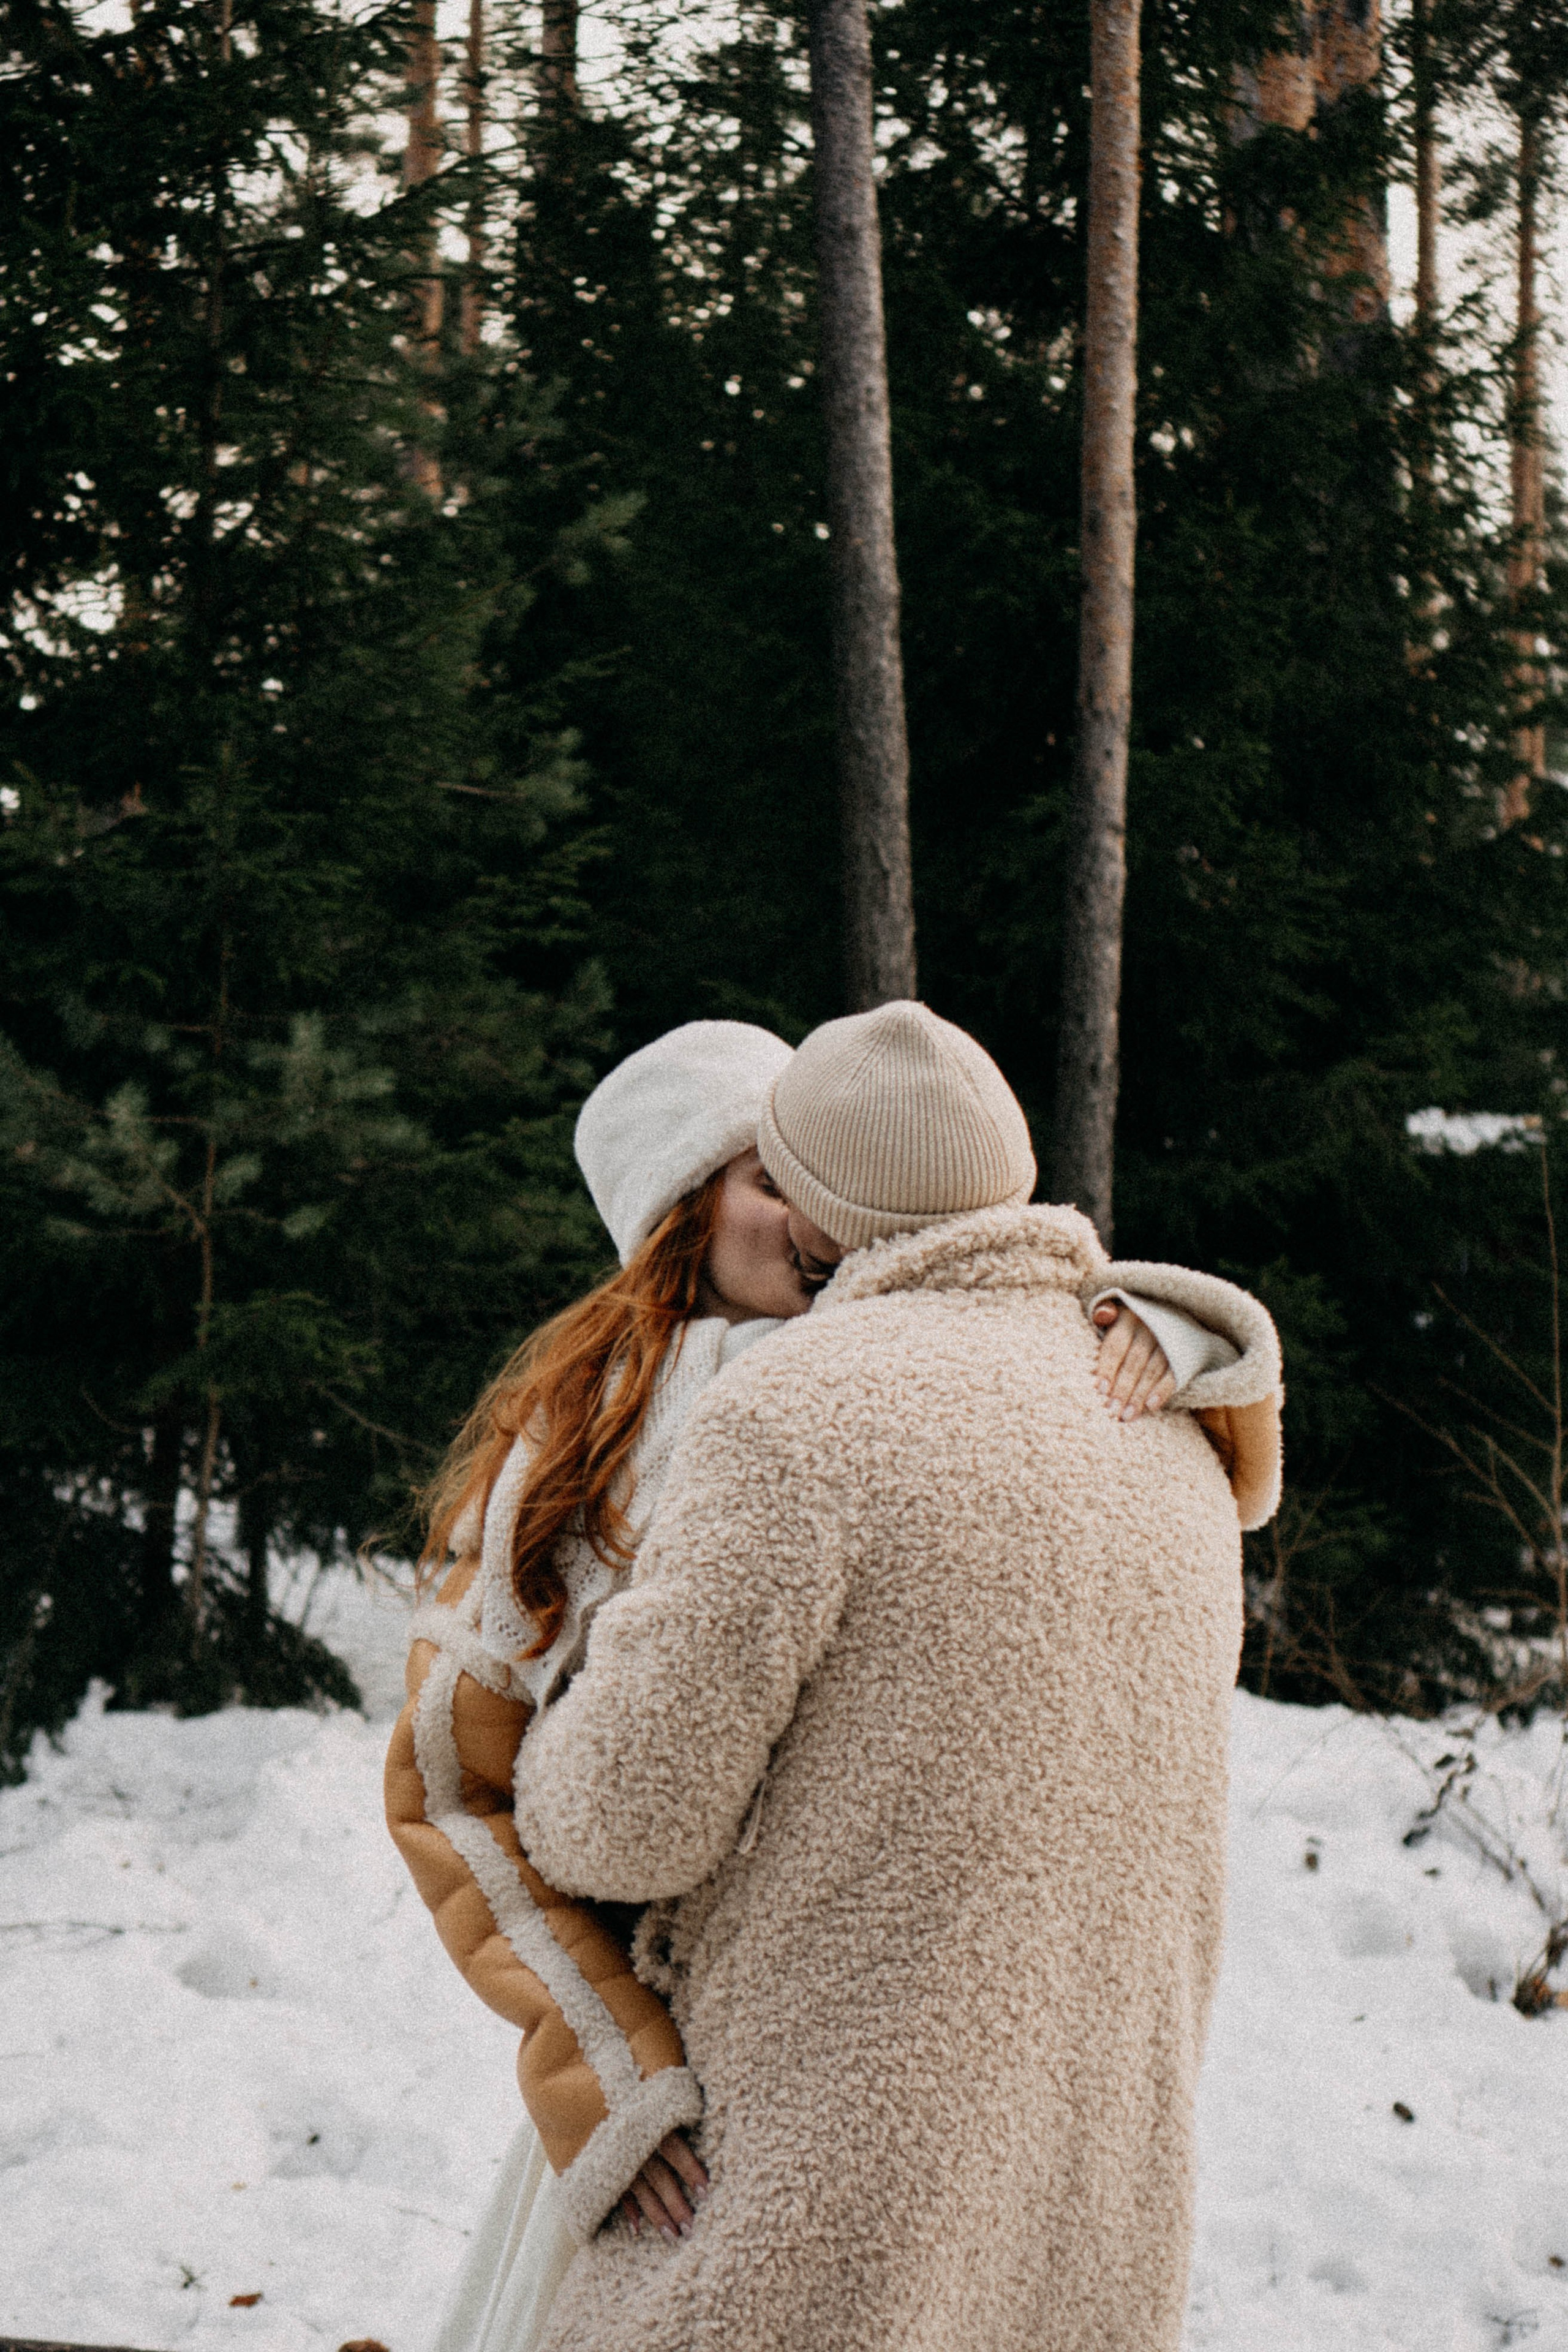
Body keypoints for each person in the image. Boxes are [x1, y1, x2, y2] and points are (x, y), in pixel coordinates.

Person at [384, 1016, 1273, 2352]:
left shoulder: (957, 1382)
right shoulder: (595, 1428)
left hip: (837, 2117)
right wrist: (605, 2070)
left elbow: (643, 1800)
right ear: (676, 1216)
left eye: (805, 1167)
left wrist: (1197, 1334)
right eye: (761, 1174)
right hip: (688, 2095)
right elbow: (463, 1784)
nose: (801, 1216)